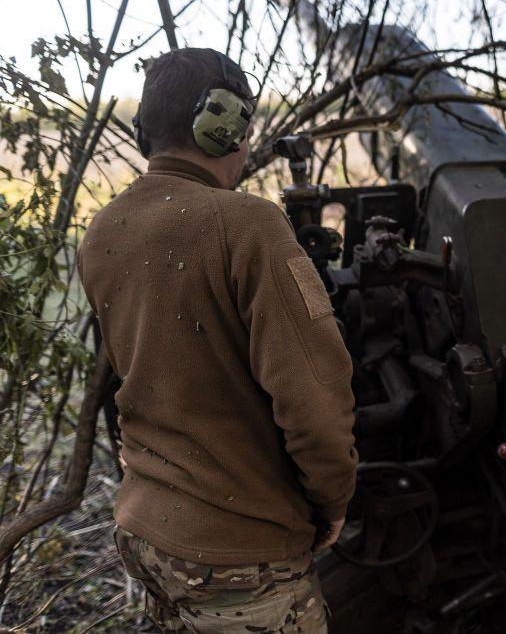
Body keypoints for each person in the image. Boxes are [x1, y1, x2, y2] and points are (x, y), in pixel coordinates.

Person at [77, 48, 358, 632]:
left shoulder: (102, 230)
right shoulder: (246, 224)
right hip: (239, 554)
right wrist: (333, 502)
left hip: (145, 531)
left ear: (141, 132)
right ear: (226, 127)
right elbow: (314, 399)